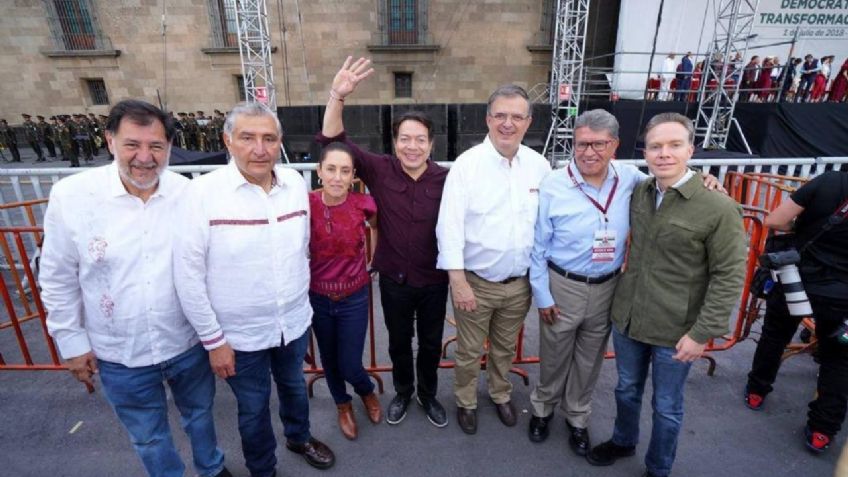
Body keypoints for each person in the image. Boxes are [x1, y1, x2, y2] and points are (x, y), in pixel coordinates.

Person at [39, 99, 231, 477]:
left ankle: (212, 468)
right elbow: (58, 278)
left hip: (185, 344)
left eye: (156, 147)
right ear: (110, 141)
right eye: (132, 145)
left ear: (169, 148)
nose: (144, 157)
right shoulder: (72, 197)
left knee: (200, 416)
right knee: (148, 437)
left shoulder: (187, 194)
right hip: (120, 353)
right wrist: (72, 343)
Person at [528, 109, 722, 455]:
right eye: (582, 144)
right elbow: (539, 245)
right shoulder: (553, 184)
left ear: (614, 145)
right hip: (563, 285)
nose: (589, 152)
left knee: (590, 360)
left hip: (608, 287)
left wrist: (704, 177)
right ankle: (543, 409)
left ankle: (577, 417)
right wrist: (542, 294)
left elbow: (673, 175)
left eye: (598, 144)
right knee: (554, 355)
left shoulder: (631, 178)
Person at [174, 102, 335, 477]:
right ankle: (264, 469)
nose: (259, 149)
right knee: (253, 407)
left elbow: (303, 249)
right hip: (237, 337)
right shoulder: (201, 194)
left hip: (292, 324)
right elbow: (188, 276)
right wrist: (214, 342)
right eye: (247, 138)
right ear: (228, 140)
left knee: (294, 388)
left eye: (269, 138)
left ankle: (299, 437)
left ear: (280, 142)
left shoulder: (295, 183)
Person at [586, 112, 746, 477]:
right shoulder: (640, 190)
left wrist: (702, 333)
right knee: (626, 389)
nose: (664, 154)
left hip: (677, 330)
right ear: (645, 151)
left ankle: (659, 468)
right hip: (628, 318)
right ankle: (624, 441)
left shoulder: (718, 207)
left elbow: (729, 276)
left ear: (691, 149)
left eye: (674, 145)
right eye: (655, 146)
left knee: (667, 405)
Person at [318, 57, 451, 428]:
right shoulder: (379, 168)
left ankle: (428, 394)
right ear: (395, 142)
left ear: (431, 143)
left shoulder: (447, 180)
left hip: (434, 280)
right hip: (393, 278)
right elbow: (333, 140)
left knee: (429, 343)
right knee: (396, 342)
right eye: (404, 139)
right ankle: (403, 392)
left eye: (419, 140)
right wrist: (337, 96)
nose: (412, 146)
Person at [436, 84, 551, 434]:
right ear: (488, 119)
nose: (508, 123)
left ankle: (501, 394)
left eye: (517, 116)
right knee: (470, 352)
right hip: (476, 283)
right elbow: (449, 226)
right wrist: (458, 283)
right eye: (500, 115)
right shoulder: (466, 166)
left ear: (528, 122)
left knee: (504, 348)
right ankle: (466, 401)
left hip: (519, 285)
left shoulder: (539, 166)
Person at [744, 170, 848, 454]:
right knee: (838, 361)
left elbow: (776, 220)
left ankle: (757, 391)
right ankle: (821, 431)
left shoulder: (830, 181)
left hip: (797, 280)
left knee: (774, 336)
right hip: (843, 297)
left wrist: (801, 228)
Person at [308, 141, 382, 440]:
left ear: (354, 176)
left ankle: (366, 390)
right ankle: (342, 404)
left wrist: (373, 260)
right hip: (317, 296)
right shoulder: (305, 203)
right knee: (329, 358)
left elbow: (376, 227)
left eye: (345, 171)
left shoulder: (364, 204)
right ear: (319, 172)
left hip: (354, 295)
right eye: (331, 169)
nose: (337, 177)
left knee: (351, 363)